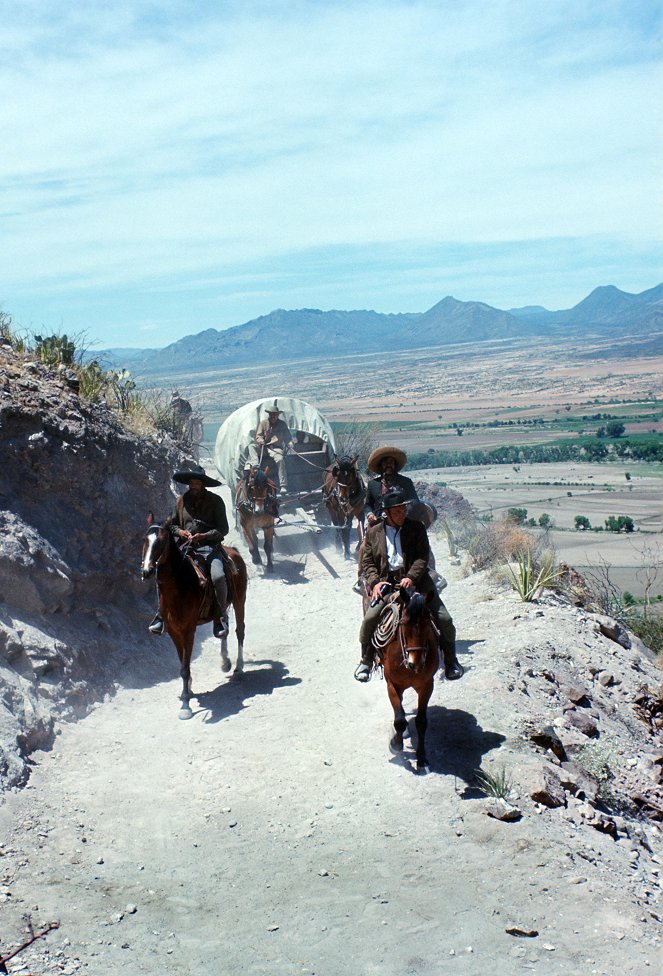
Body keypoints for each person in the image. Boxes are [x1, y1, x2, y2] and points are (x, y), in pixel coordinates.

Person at [354, 487, 464, 683]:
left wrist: (412, 577)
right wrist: (376, 582)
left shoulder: (416, 528)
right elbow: (368, 562)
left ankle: (451, 661)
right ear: (386, 513)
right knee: (370, 619)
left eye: (404, 510)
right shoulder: (373, 532)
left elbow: (422, 557)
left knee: (444, 619)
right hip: (388, 584)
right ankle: (366, 660)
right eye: (397, 511)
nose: (402, 514)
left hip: (418, 584)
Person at [149, 464, 230, 639]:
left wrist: (204, 535)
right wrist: (180, 532)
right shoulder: (180, 501)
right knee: (162, 574)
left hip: (209, 547)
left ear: (203, 484)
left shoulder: (216, 502)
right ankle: (161, 616)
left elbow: (223, 529)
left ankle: (220, 617)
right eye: (191, 483)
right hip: (185, 548)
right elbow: (172, 525)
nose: (193, 486)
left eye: (197, 483)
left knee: (218, 576)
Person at [365, 446, 421, 523]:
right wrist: (370, 514)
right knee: (368, 533)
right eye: (385, 463)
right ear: (380, 466)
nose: (388, 465)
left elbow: (414, 501)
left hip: (402, 521)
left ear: (395, 465)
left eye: (391, 462)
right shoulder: (372, 484)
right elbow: (367, 505)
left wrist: (403, 513)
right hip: (379, 522)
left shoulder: (406, 482)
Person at [247, 402, 295, 494]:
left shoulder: (282, 425)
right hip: (264, 448)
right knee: (251, 446)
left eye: (275, 415)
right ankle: (255, 465)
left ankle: (283, 485)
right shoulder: (263, 423)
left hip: (276, 448)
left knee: (280, 460)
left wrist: (290, 443)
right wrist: (261, 441)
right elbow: (258, 436)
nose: (273, 416)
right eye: (271, 414)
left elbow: (288, 438)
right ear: (269, 414)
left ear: (278, 415)